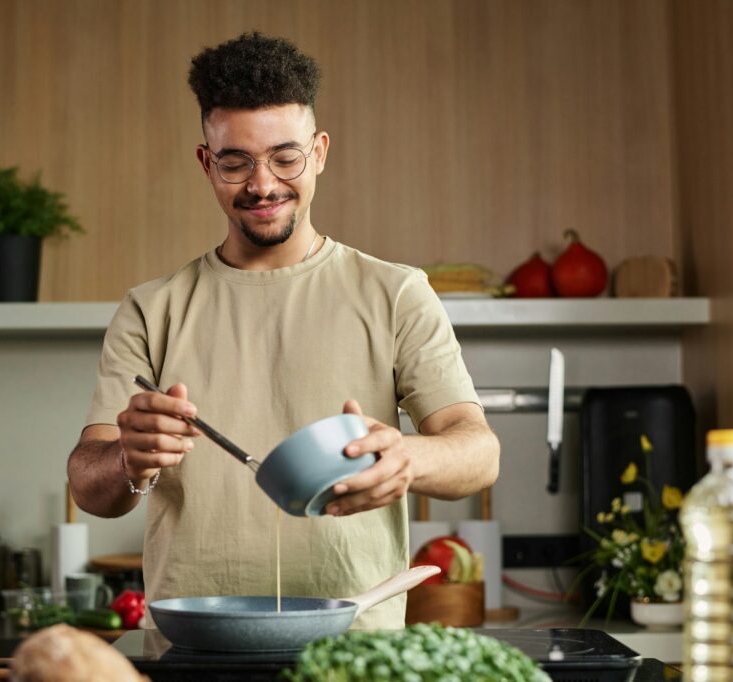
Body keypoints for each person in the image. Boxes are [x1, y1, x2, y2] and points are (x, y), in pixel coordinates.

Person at [67, 32, 500, 629]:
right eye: (235, 162)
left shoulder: (396, 292)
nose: (263, 184)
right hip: (194, 652)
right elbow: (90, 486)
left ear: (319, 152)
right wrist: (128, 458)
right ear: (206, 162)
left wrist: (409, 458)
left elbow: (479, 452)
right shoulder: (151, 309)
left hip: (353, 652)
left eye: (285, 157)